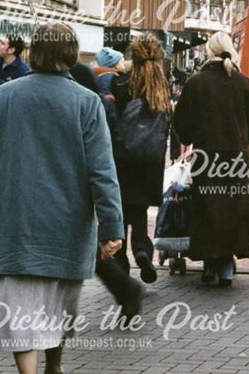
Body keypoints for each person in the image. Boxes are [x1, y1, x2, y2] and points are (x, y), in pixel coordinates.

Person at [0, 22, 124, 374]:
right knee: (59, 306)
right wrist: (112, 227)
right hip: (67, 225)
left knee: (19, 310)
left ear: (34, 52)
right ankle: (54, 366)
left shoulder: (5, 96)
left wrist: (7, 167)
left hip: (16, 221)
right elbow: (102, 171)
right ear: (71, 55)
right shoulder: (87, 102)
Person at [173, 31, 249, 286]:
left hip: (206, 158)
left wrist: (193, 138)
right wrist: (242, 140)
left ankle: (210, 262)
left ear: (208, 52)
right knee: (233, 210)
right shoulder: (246, 84)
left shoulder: (196, 83)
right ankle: (225, 263)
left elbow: (181, 122)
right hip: (237, 160)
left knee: (208, 209)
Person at [96, 33, 173, 312]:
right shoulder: (160, 87)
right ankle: (143, 251)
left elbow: (109, 118)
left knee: (120, 215)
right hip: (150, 163)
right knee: (139, 215)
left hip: (121, 160)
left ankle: (123, 266)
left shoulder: (120, 82)